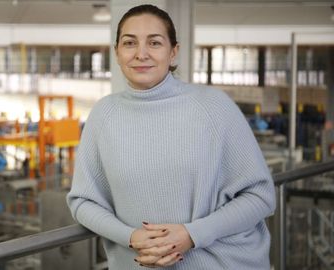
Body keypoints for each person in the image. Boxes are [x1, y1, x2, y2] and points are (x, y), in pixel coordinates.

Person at [66, 4, 276, 270]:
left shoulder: (214, 107)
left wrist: (192, 234)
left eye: (154, 43)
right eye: (130, 43)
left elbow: (260, 196)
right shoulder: (103, 114)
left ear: (173, 52)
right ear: (117, 52)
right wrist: (132, 237)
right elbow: (83, 201)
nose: (141, 54)